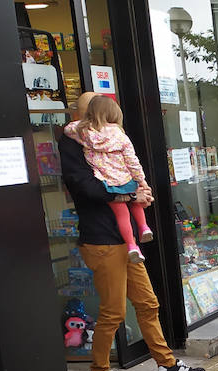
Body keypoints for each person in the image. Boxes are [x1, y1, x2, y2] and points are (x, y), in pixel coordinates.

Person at [60, 92, 205, 371]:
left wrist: (141, 192)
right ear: (83, 115)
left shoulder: (112, 139)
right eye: (90, 112)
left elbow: (128, 172)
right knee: (113, 311)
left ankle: (166, 365)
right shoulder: (73, 143)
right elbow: (86, 188)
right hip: (101, 239)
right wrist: (130, 196)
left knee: (148, 303)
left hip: (127, 243)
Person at [63, 96, 153, 263]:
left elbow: (68, 129)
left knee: (122, 213)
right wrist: (142, 183)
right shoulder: (119, 136)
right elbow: (132, 161)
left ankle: (132, 244)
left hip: (109, 187)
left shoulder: (83, 135)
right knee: (136, 204)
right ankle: (143, 227)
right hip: (104, 238)